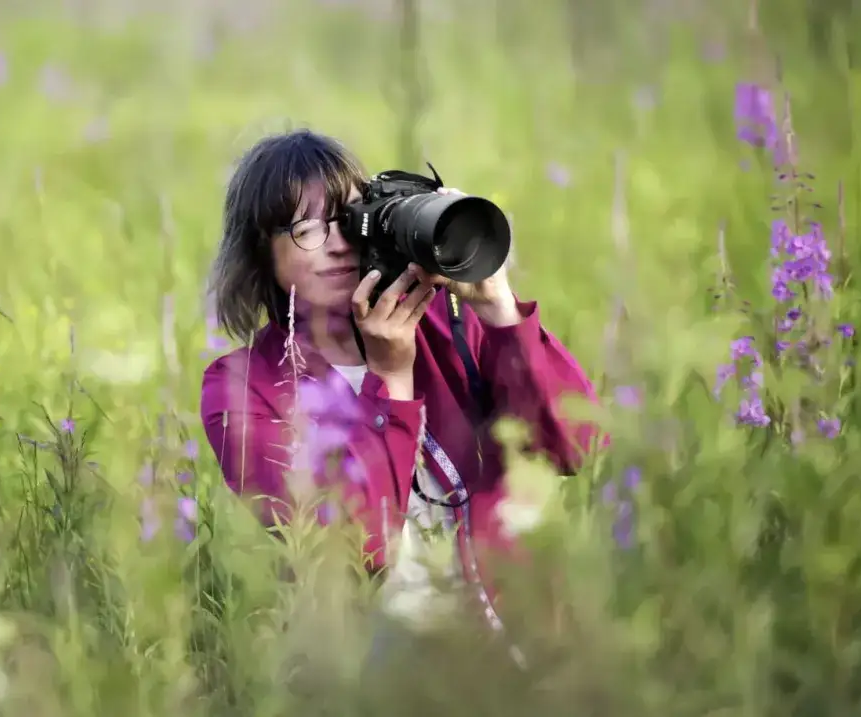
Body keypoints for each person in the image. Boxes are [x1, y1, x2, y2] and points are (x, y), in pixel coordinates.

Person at [200, 128, 601, 642]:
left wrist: (499, 308)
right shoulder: (244, 388)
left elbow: (576, 447)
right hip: (372, 666)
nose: (339, 245)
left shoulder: (445, 322)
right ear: (262, 254)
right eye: (307, 228)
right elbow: (352, 549)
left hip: (514, 645)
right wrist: (391, 380)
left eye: (346, 219)